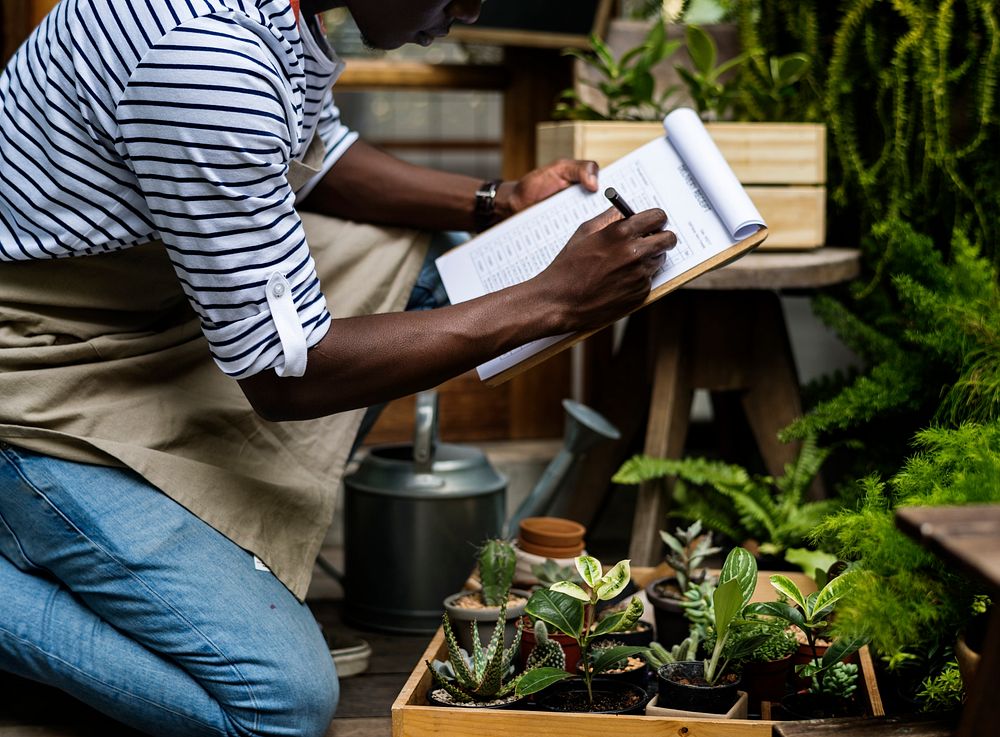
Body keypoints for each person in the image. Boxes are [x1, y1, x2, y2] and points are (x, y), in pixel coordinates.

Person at [0, 1, 676, 735]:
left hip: (152, 307)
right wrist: (554, 300)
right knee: (275, 705)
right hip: (38, 367)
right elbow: (283, 375)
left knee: (438, 269)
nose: (471, 12)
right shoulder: (205, 59)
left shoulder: (275, 12)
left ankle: (215, 544)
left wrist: (494, 201)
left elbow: (317, 149)